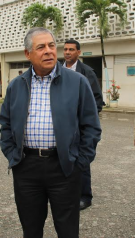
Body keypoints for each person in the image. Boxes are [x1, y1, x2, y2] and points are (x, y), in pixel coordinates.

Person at [0, 27, 101, 238]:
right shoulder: (16, 86)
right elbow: (6, 124)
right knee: (31, 229)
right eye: (41, 47)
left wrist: (80, 162)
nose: (48, 51)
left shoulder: (78, 82)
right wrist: (12, 155)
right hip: (26, 167)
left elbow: (91, 125)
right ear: (28, 54)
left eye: (52, 45)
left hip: (64, 167)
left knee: (67, 230)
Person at [63, 39, 103, 210]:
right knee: (62, 159)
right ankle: (64, 193)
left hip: (79, 127)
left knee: (82, 160)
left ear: (78, 52)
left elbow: (97, 101)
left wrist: (83, 120)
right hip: (61, 126)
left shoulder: (87, 73)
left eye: (71, 49)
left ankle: (85, 196)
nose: (67, 52)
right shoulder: (56, 70)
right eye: (65, 49)